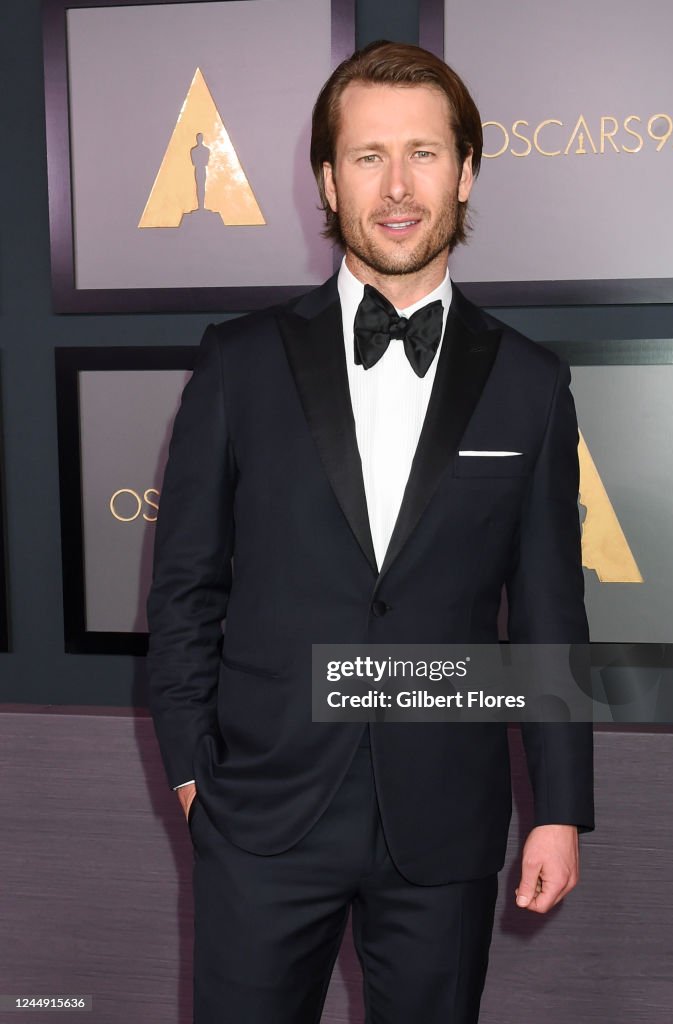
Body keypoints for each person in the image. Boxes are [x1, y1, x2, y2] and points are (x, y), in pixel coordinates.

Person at [147, 39, 594, 1024]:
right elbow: (184, 592)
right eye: (366, 156)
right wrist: (193, 778)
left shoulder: (529, 383)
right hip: (261, 816)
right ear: (326, 178)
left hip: (442, 822)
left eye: (425, 154)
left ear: (467, 170)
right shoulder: (237, 364)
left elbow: (551, 610)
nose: (397, 186)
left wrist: (558, 808)